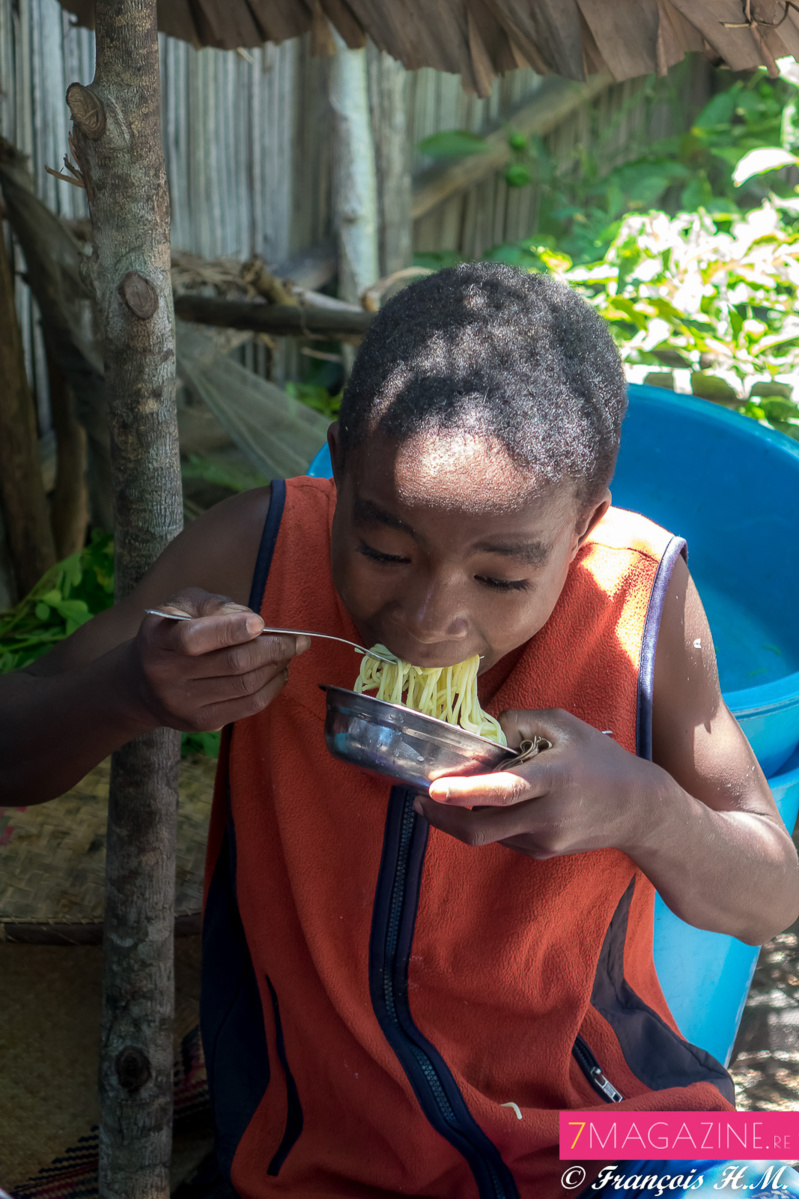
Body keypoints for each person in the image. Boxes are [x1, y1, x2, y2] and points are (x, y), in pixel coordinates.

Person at [1, 263, 797, 1199]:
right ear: (338, 467)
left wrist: (644, 811)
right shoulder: (263, 553)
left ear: (584, 525)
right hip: (321, 1157)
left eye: (500, 578)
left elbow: (770, 894)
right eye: (383, 550)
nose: (426, 618)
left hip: (612, 1136)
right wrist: (132, 689)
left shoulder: (638, 597)